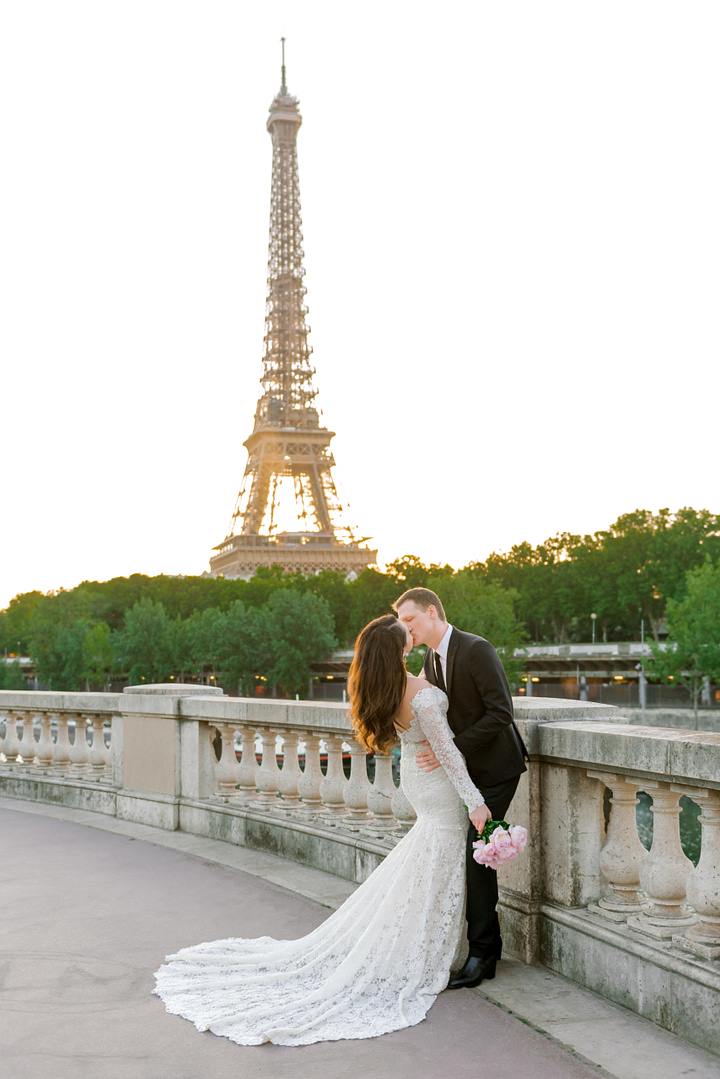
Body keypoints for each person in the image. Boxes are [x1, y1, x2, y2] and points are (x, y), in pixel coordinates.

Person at [153, 615, 488, 1046]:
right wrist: (475, 802)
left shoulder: (390, 687)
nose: (412, 635)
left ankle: (415, 944)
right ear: (399, 650)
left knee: (425, 864)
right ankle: (423, 951)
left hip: (417, 782)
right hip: (438, 787)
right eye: (406, 634)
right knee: (437, 865)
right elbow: (449, 753)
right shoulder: (422, 697)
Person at [395, 587, 528, 990]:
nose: (407, 629)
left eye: (410, 620)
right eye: (402, 623)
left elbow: (501, 711)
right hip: (469, 771)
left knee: (478, 859)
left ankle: (482, 955)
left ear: (431, 612)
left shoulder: (476, 649)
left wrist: (452, 748)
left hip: (499, 767)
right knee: (476, 857)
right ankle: (487, 950)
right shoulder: (430, 661)